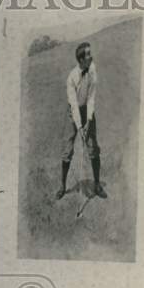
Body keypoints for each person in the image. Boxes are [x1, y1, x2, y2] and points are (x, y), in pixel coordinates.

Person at [58, 41, 106, 200]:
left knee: (93, 147)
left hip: (87, 109)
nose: (91, 56)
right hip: (74, 111)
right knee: (68, 149)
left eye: (90, 53)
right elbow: (73, 104)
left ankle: (97, 185)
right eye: (88, 54)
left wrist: (89, 120)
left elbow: (91, 97)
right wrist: (80, 127)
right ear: (80, 60)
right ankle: (63, 187)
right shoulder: (71, 78)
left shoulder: (92, 69)